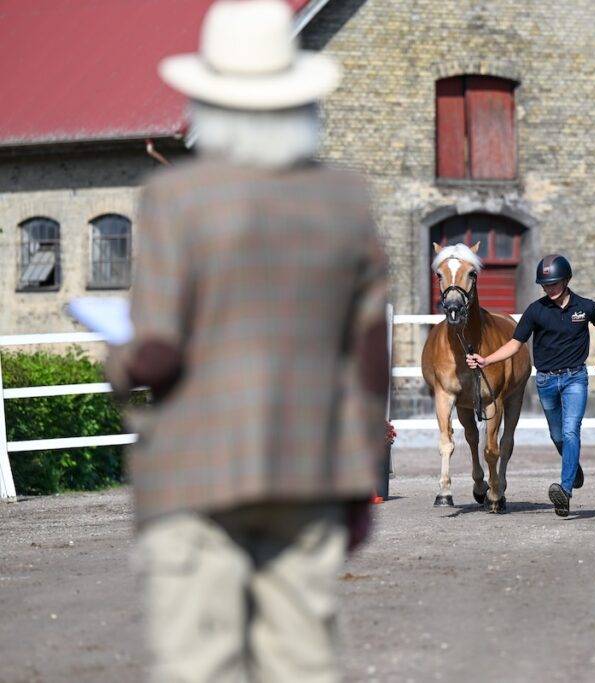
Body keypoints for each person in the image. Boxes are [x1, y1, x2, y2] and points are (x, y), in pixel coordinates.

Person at [106, 1, 388, 680]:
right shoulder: (346, 199)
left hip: (198, 469)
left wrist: (119, 358)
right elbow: (370, 356)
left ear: (208, 101)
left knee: (201, 663)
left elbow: (160, 353)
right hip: (310, 468)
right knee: (302, 661)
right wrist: (360, 477)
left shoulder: (178, 197)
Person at [467, 255, 595, 517]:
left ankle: (565, 491)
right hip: (546, 381)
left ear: (566, 281)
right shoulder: (535, 311)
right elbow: (515, 344)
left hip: (575, 378)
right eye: (545, 285)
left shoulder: (585, 307)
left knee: (570, 431)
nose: (549, 288)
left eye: (553, 283)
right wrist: (486, 360)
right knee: (557, 436)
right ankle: (572, 467)